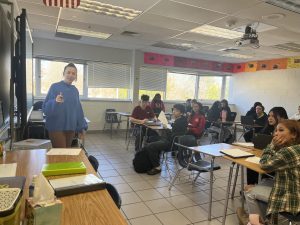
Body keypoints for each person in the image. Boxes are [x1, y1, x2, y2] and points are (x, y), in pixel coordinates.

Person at [243, 120, 300, 224]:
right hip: (294, 188)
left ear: (294, 134)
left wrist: (271, 145)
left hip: (294, 199)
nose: (276, 133)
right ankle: (263, 220)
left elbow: (264, 165)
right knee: (265, 182)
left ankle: (254, 222)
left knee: (249, 191)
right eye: (276, 130)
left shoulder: (289, 151)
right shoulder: (295, 148)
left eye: (281, 130)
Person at [42, 63, 87, 148]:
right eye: (68, 72)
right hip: (56, 127)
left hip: (70, 127)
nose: (71, 75)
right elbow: (45, 109)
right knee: (61, 154)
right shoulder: (54, 87)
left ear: (76, 76)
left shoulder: (75, 90)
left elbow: (78, 110)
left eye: (73, 73)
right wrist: (55, 101)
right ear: (64, 74)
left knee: (67, 153)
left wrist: (82, 127)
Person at [247, 106, 288, 185]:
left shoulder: (287, 132)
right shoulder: (268, 128)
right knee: (250, 165)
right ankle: (251, 186)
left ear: (282, 117)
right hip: (264, 155)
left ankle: (260, 186)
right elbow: (257, 140)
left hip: (277, 160)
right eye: (269, 116)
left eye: (273, 116)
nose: (270, 118)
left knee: (259, 166)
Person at [144, 104, 188, 175]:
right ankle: (153, 161)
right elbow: (173, 131)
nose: (173, 112)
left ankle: (157, 167)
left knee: (150, 146)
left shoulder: (180, 121)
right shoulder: (181, 119)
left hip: (171, 143)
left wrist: (165, 127)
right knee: (151, 138)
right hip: (170, 140)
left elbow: (172, 135)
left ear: (181, 112)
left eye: (176, 111)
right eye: (173, 110)